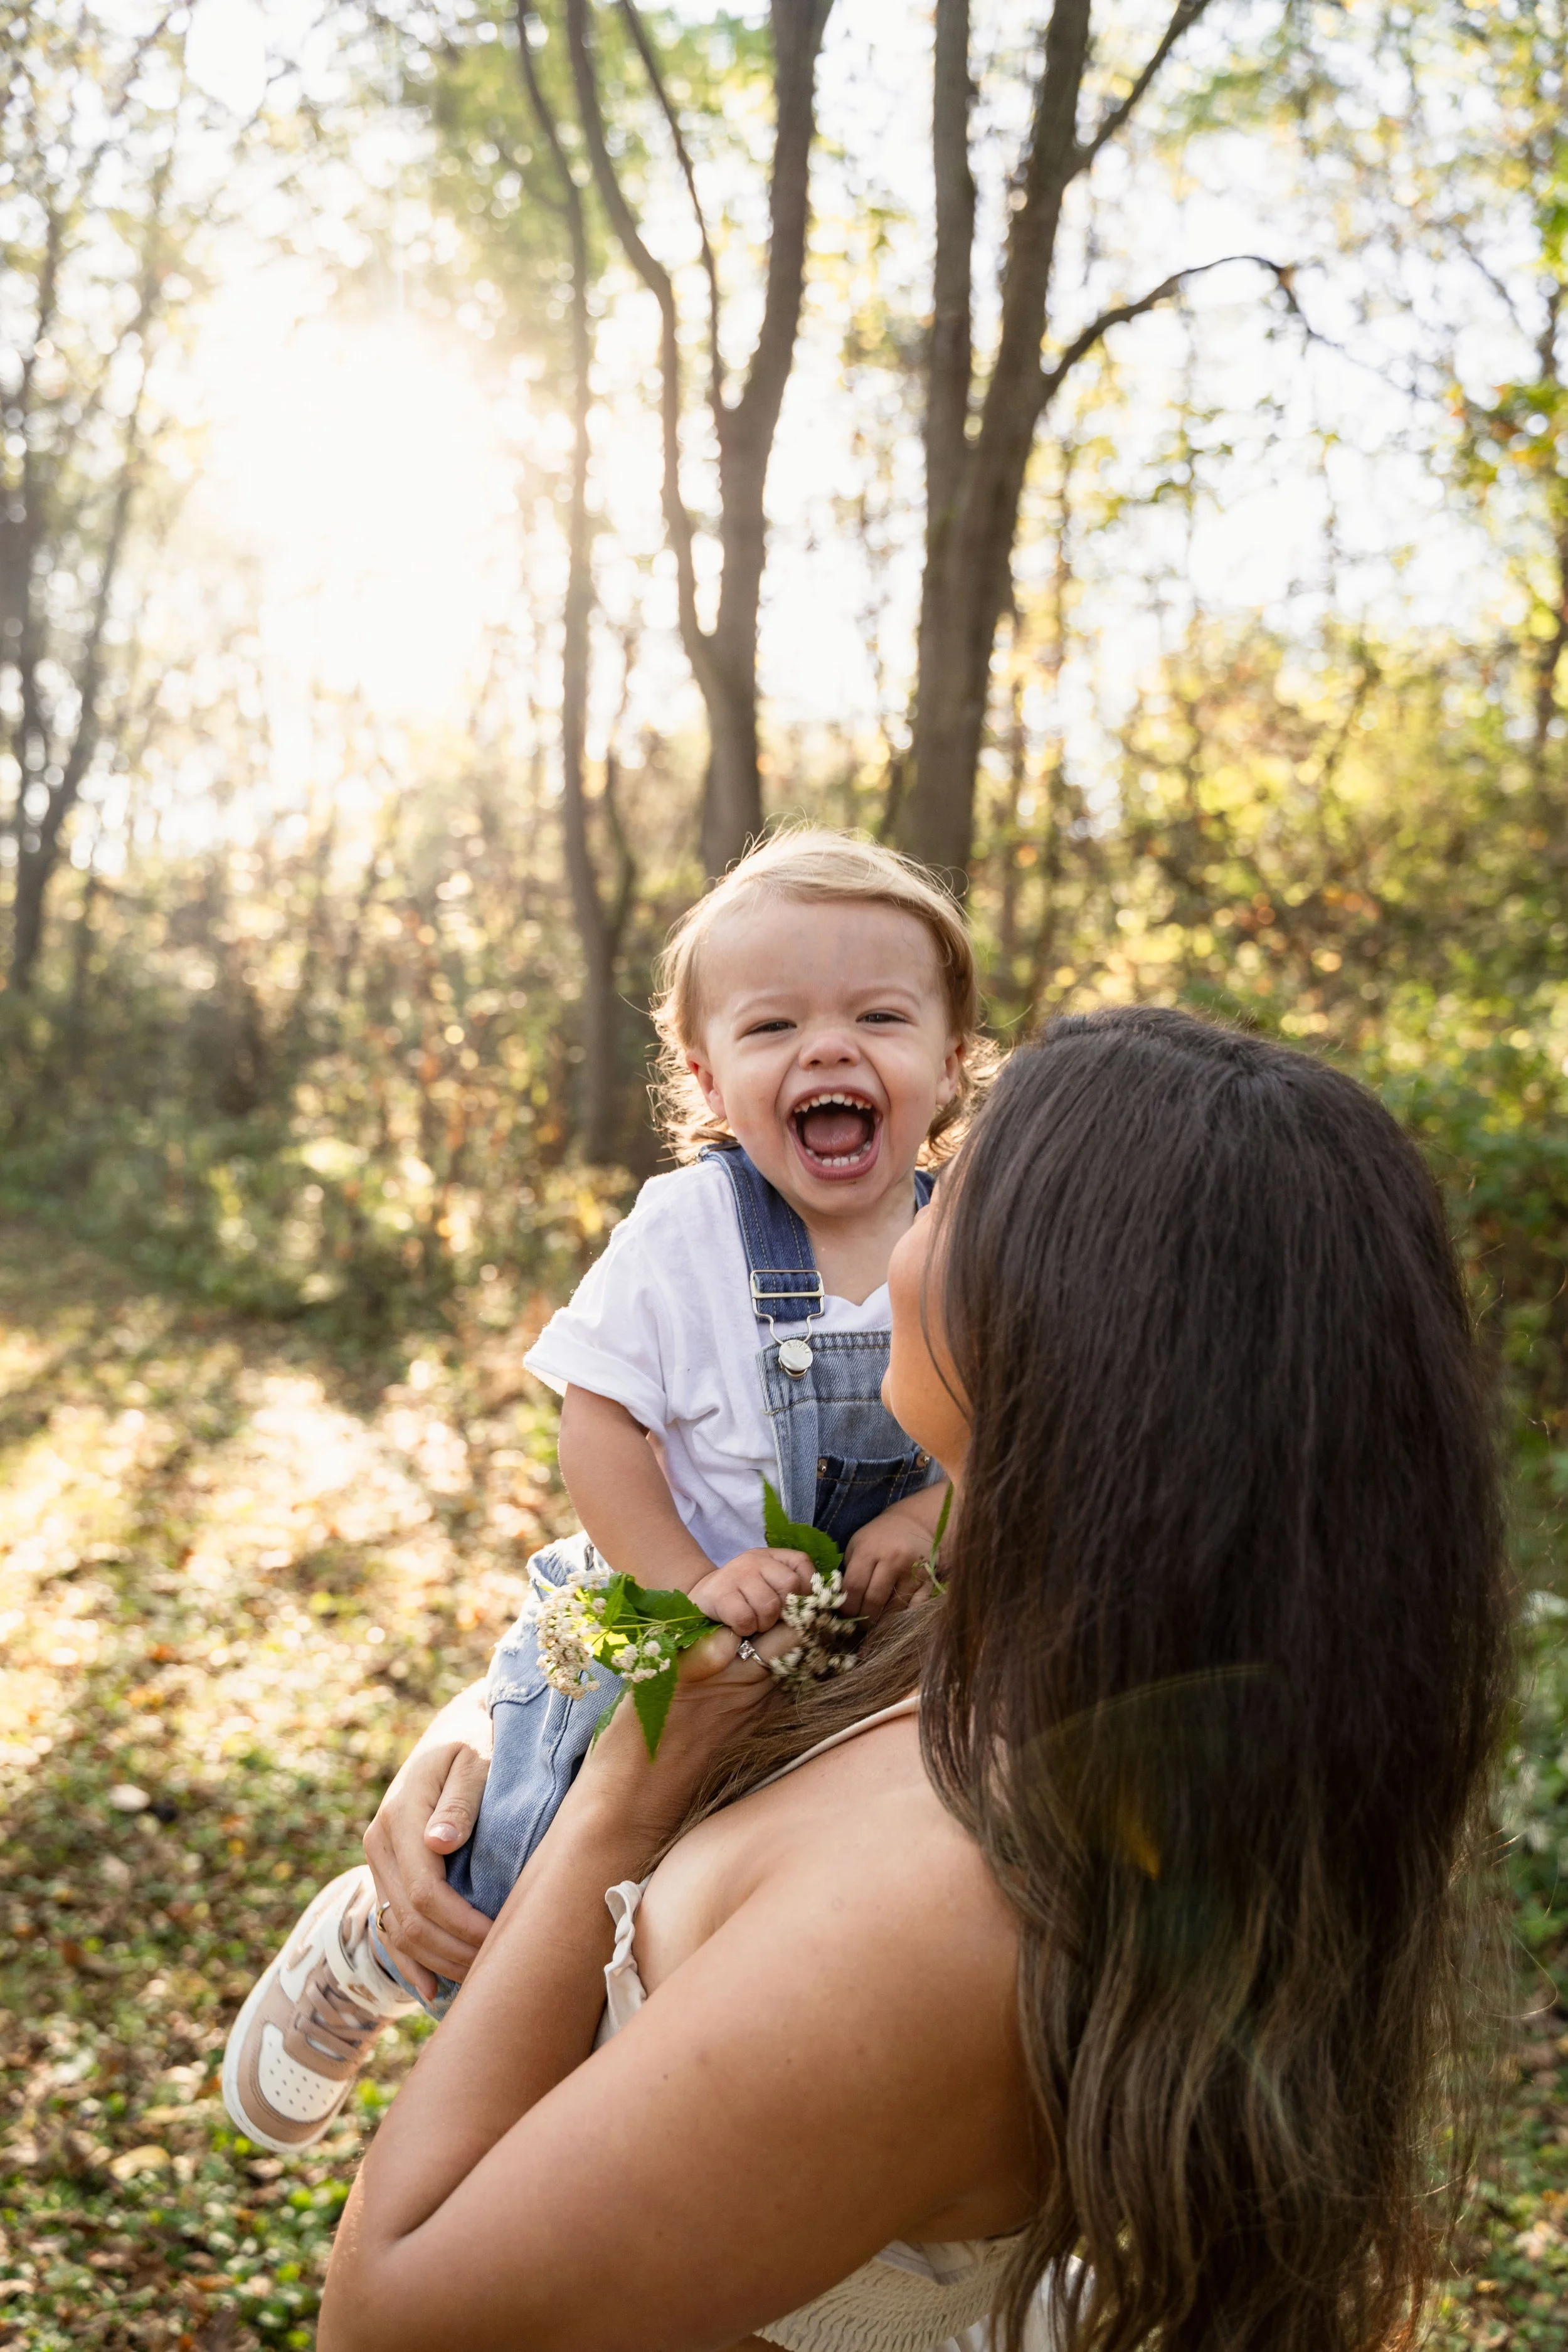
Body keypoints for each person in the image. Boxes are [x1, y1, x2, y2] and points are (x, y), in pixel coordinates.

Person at [318, 1007, 1511, 2352]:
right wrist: (478, 1733)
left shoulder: (939, 1906)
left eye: (955, 1187)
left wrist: (609, 1812)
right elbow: (675, 1654)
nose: (905, 1227)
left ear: (1064, 1311)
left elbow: (390, 2322)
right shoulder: (1001, 1629)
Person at [224, 829, 993, 2153]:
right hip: (650, 1602)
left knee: (691, 1927)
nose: (826, 1051)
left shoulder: (969, 1238)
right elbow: (599, 1420)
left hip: (846, 1662)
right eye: (771, 1026)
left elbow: (992, 1435)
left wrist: (925, 1520)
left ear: (949, 1056)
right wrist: (677, 1578)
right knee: (532, 1834)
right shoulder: (688, 1229)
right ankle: (382, 1952)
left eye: (877, 1015)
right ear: (706, 1074)